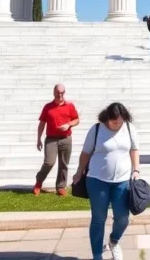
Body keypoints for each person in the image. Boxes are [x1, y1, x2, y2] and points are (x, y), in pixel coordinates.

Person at [72, 103, 140, 260]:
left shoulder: (129, 128)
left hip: (122, 181)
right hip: (97, 180)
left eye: (120, 121)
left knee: (123, 217)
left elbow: (134, 150)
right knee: (98, 217)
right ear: (107, 119)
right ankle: (97, 254)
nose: (117, 125)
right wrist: (79, 172)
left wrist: (136, 170)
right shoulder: (96, 129)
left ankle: (114, 241)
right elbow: (85, 153)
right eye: (114, 122)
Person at [34, 84, 80, 196]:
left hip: (66, 139)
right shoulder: (48, 107)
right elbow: (41, 124)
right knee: (49, 162)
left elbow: (77, 120)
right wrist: (38, 139)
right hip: (51, 139)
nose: (60, 95)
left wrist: (69, 124)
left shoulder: (69, 106)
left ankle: (60, 187)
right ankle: (39, 181)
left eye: (62, 92)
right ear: (54, 92)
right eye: (58, 92)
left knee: (64, 164)